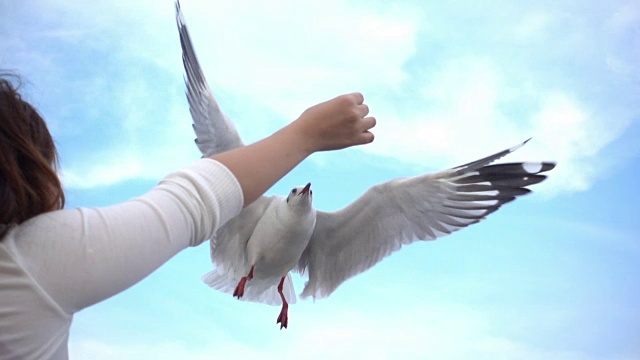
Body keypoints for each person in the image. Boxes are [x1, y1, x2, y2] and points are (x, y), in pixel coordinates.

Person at [0, 73, 376, 359]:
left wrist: (305, 134)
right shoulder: (30, 262)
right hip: (247, 264)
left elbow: (196, 197)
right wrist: (307, 134)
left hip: (275, 276)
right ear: (26, 178)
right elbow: (193, 200)